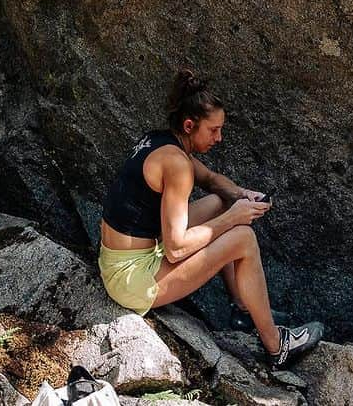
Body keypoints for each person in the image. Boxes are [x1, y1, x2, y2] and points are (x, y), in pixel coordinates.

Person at [99, 69, 324, 371]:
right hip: (132, 279)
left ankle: (242, 309)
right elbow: (175, 250)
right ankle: (277, 346)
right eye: (213, 130)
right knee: (243, 238)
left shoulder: (161, 141)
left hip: (126, 259)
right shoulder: (176, 164)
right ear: (190, 125)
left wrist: (241, 195)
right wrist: (233, 219)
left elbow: (212, 180)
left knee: (219, 202)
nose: (219, 138)